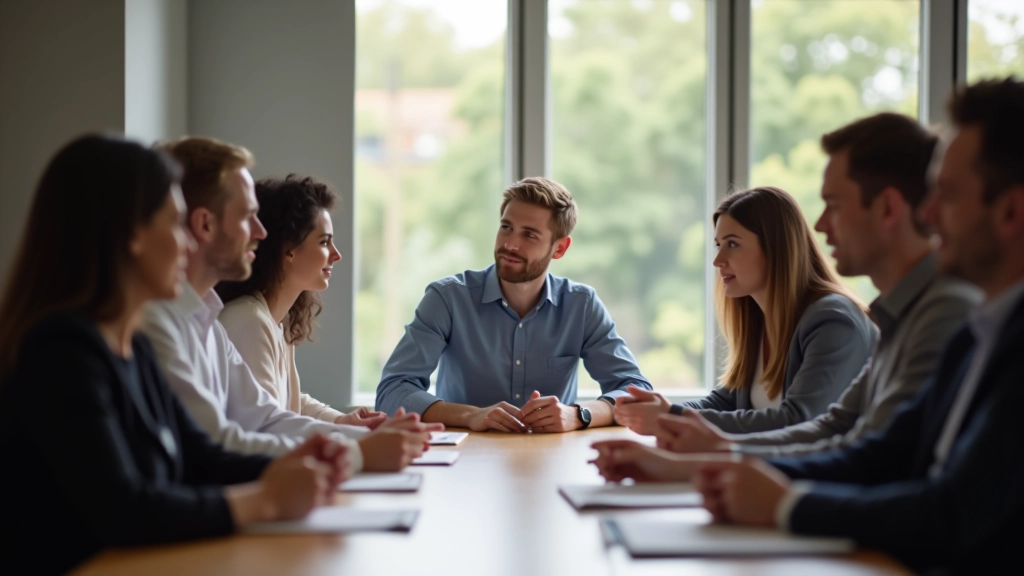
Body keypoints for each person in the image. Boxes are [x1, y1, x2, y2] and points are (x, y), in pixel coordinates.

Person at [592, 78, 1024, 574]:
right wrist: (700, 466)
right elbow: (868, 449)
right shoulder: (971, 329)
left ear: (1010, 209)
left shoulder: (946, 319)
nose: (928, 214)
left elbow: (943, 509)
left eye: (945, 194)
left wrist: (776, 500)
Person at [0, 135, 348, 575]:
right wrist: (268, 498)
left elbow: (202, 453)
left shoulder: (133, 347)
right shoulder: (61, 353)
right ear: (131, 237)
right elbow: (127, 508)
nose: (187, 244)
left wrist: (306, 462)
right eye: (174, 223)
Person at [651, 113, 981, 457]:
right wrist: (710, 451)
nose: (821, 226)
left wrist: (713, 454)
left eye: (834, 205)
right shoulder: (901, 314)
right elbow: (836, 430)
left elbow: (866, 453)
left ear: (887, 208)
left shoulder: (939, 312)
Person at [140, 136, 438, 472]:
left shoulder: (207, 321)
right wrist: (358, 451)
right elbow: (218, 443)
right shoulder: (166, 323)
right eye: (246, 216)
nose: (261, 231)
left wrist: (353, 435)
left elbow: (266, 416)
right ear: (203, 224)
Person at [375, 177, 653, 433]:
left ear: (559, 248)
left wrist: (579, 414)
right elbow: (392, 392)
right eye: (506, 227)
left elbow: (636, 392)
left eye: (529, 235)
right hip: (465, 462)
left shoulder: (581, 305)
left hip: (552, 462)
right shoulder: (447, 298)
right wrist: (470, 415)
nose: (510, 244)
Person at [615, 187, 876, 435]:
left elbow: (800, 421)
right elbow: (725, 403)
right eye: (718, 245)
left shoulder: (834, 321)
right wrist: (659, 412)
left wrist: (672, 416)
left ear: (777, 248)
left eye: (732, 244)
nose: (718, 261)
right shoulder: (758, 321)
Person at [217, 174, 386, 428]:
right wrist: (359, 441)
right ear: (288, 250)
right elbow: (271, 425)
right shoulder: (248, 321)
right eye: (324, 242)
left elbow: (290, 402)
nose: (336, 255)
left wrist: (341, 421)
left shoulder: (272, 321)